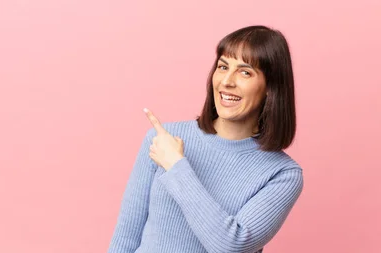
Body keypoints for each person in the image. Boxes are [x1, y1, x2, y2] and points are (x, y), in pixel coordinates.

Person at [108, 25, 304, 253]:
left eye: (245, 72)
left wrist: (176, 167)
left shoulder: (282, 174)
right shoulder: (162, 139)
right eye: (223, 66)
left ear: (271, 87)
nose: (227, 81)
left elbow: (231, 245)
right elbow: (125, 237)